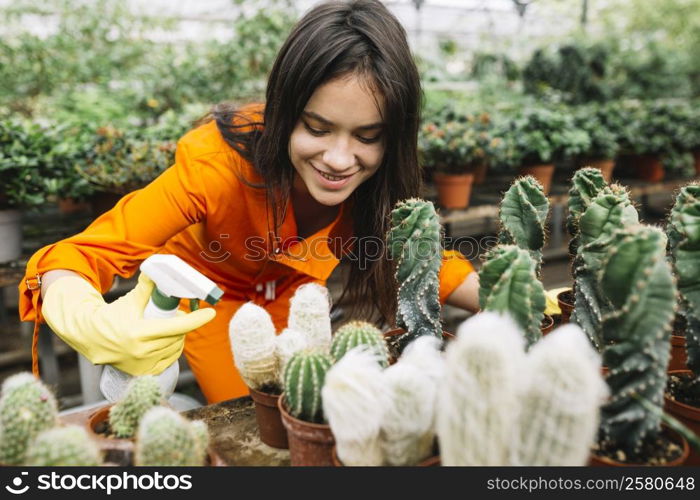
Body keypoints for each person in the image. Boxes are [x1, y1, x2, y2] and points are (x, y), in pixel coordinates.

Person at [19, 0, 479, 404]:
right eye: (316, 129)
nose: (339, 160)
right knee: (251, 416)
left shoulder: (378, 184)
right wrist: (86, 316)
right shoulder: (214, 165)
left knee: (304, 407)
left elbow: (415, 256)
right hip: (205, 299)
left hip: (290, 297)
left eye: (368, 136)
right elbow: (79, 255)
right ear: (282, 112)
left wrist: (517, 298)